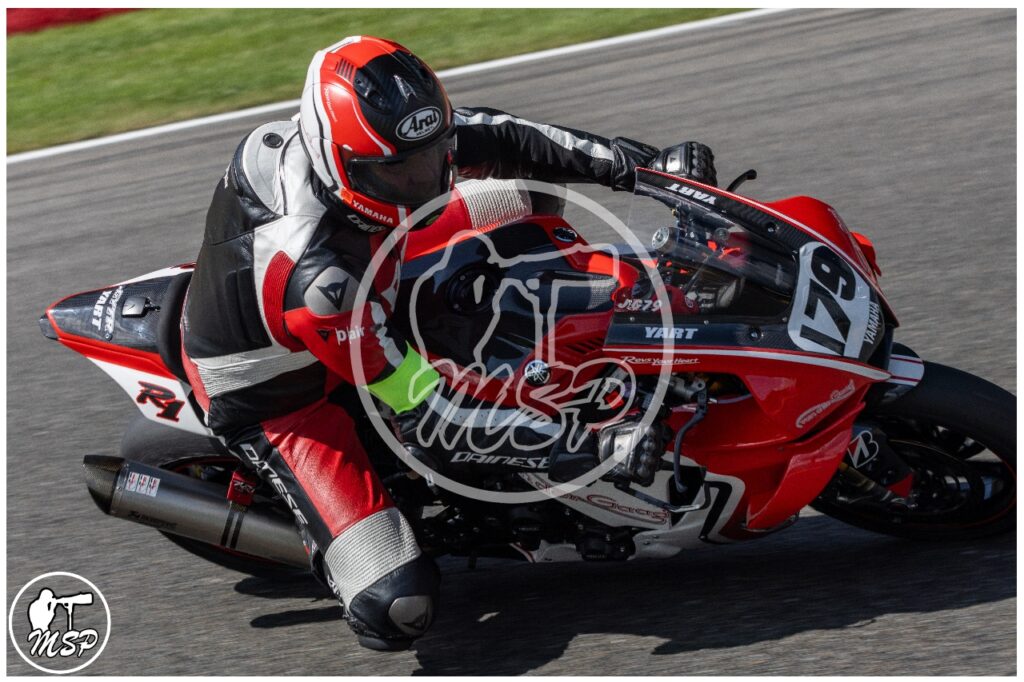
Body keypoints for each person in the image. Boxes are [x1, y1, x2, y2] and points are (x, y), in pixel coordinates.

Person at [180, 35, 716, 651]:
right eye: (401, 170)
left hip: (373, 268)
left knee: (531, 191)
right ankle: (341, 542)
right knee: (397, 610)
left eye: (433, 155)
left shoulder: (370, 155)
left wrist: (645, 169)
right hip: (284, 394)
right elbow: (430, 414)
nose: (429, 179)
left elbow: (508, 137)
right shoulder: (319, 283)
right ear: (341, 162)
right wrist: (588, 445)